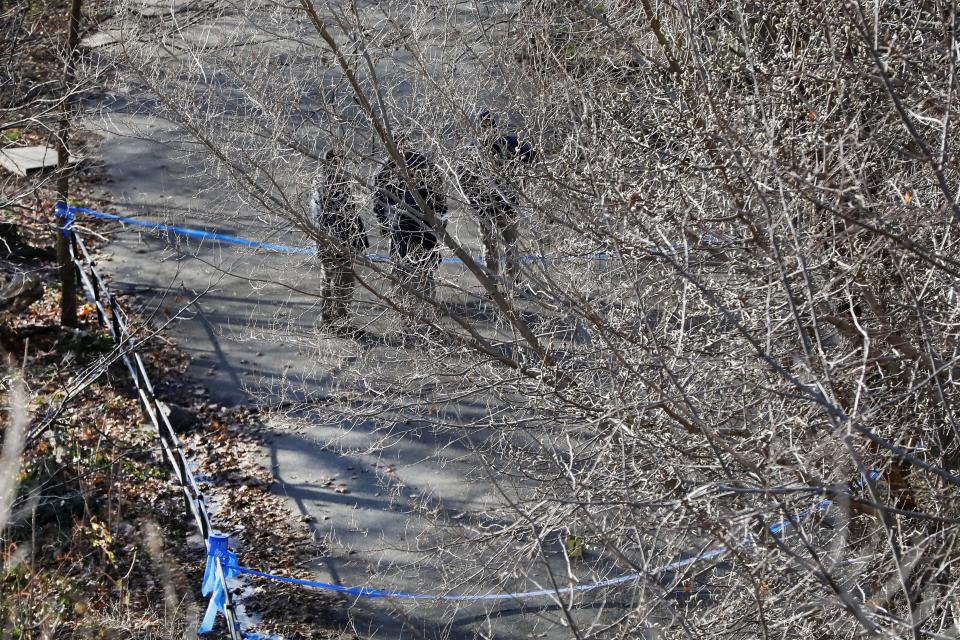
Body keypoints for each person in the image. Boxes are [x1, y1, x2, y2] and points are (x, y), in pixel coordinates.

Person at [458, 110, 536, 285]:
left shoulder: (478, 147)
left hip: (497, 206)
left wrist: (473, 199)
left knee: (499, 245)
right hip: (495, 205)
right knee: (503, 245)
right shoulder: (503, 143)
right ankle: (506, 280)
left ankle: (500, 281)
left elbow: (461, 175)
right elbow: (531, 154)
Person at [373, 134, 448, 301]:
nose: (401, 146)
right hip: (398, 226)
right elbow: (378, 199)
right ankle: (402, 305)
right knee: (400, 267)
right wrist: (385, 222)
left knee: (424, 269)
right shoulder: (386, 168)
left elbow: (439, 196)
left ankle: (428, 306)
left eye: (403, 142)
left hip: (423, 226)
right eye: (396, 143)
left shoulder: (424, 164)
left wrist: (441, 220)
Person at [310, 149, 368, 324]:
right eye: (341, 161)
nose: (344, 165)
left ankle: (328, 319)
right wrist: (341, 241)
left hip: (328, 240)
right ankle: (340, 321)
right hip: (336, 241)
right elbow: (330, 215)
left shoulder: (323, 180)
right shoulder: (331, 182)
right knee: (343, 281)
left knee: (328, 279)